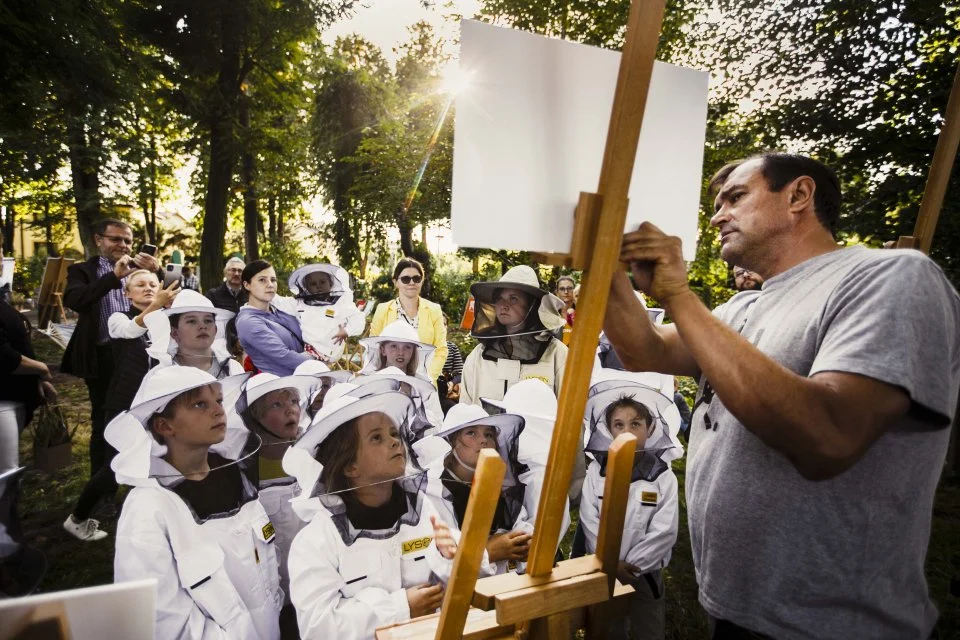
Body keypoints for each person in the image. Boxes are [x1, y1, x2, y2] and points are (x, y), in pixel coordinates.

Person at [603, 152, 960, 638]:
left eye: (735, 197)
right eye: (716, 203)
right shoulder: (744, 305)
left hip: (834, 622)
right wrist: (599, 261)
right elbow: (642, 348)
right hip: (739, 608)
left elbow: (828, 437)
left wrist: (678, 296)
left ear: (798, 195)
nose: (717, 214)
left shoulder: (891, 276)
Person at [109, 367, 283, 639]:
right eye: (200, 404)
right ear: (164, 426)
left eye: (218, 401)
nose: (218, 411)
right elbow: (160, 620)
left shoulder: (236, 477)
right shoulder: (148, 509)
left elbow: (265, 565)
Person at [282, 384, 459, 639]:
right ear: (350, 466)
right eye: (377, 437)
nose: (394, 442)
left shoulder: (422, 509)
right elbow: (318, 627)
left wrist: (450, 557)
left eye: (393, 433)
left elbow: (448, 580)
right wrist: (400, 608)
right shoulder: (315, 541)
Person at [64, 269, 179, 541]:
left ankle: (160, 518)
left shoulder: (166, 321)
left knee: (163, 459)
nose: (148, 288)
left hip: (158, 404)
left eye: (153, 284)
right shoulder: (118, 318)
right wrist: (156, 306)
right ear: (127, 293)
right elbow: (130, 330)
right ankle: (77, 518)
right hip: (124, 404)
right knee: (115, 466)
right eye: (140, 284)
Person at [578, 381, 681, 640]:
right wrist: (610, 562)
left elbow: (665, 530)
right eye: (619, 424)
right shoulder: (595, 472)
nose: (627, 431)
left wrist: (633, 566)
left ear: (650, 428)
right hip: (606, 571)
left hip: (645, 574)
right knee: (607, 629)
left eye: (635, 424)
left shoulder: (663, 477)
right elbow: (589, 520)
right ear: (608, 429)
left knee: (648, 628)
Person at [61, 219, 160, 485]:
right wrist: (113, 277)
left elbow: (163, 299)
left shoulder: (141, 272)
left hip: (140, 357)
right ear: (98, 239)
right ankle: (102, 483)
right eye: (116, 239)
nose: (123, 245)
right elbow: (75, 300)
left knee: (148, 418)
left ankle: (142, 477)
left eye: (127, 240)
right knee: (106, 422)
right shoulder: (82, 270)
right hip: (103, 357)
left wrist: (157, 271)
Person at [237, 372, 317, 633]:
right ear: (256, 416)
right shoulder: (245, 465)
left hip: (315, 579)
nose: (290, 410)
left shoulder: (313, 452)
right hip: (271, 586)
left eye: (294, 401)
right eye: (277, 405)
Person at [425, 403, 534, 575]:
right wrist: (488, 552)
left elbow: (521, 525)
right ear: (451, 442)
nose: (483, 440)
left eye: (488, 434)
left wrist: (525, 543)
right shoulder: (432, 494)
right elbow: (434, 563)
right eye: (471, 433)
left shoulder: (500, 485)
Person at [459, 265, 567, 405]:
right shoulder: (478, 356)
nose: (503, 305)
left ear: (531, 305)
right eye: (499, 298)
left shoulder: (557, 354)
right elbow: (465, 410)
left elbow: (570, 414)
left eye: (513, 298)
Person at [369, 258, 447, 383]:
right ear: (396, 282)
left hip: (425, 381)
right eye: (405, 279)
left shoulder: (434, 310)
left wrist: (427, 378)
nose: (411, 283)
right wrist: (380, 376)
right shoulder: (383, 309)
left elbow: (441, 350)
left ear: (422, 281)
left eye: (416, 278)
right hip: (388, 380)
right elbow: (373, 348)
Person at [236, 260, 312, 376]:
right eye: (262, 280)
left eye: (273, 280)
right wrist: (318, 361)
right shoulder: (248, 322)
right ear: (247, 285)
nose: (270, 284)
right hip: (282, 386)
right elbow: (284, 356)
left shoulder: (281, 309)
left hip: (306, 376)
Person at [286, 264, 365, 365]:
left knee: (299, 364)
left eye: (322, 282)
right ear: (307, 288)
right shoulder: (300, 304)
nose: (318, 286)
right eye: (313, 284)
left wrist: (347, 330)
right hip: (309, 350)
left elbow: (359, 318)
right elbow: (279, 302)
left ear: (331, 283)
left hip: (330, 352)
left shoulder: (341, 303)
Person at [555, 275, 576, 345]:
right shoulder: (551, 315)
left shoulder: (583, 314)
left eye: (569, 288)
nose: (566, 292)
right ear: (557, 293)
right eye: (562, 289)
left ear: (574, 291)